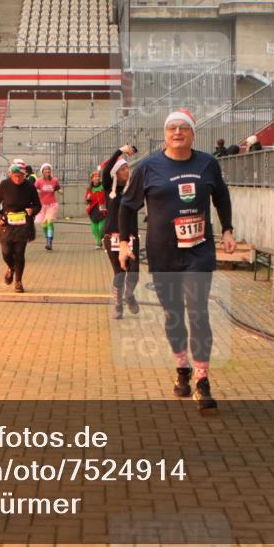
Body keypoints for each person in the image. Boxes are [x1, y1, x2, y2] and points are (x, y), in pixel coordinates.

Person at [118, 108, 237, 411]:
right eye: (172, 128)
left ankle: (202, 379)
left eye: (183, 128)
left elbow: (221, 196)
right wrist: (124, 244)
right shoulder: (148, 167)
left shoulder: (208, 164)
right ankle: (182, 367)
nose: (177, 132)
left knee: (198, 313)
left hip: (199, 251)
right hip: (163, 252)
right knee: (174, 315)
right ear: (165, 133)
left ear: (193, 133)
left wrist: (227, 229)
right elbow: (127, 207)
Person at [101, 145, 139, 319]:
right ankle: (118, 306)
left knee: (134, 271)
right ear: (116, 173)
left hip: (131, 236)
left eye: (127, 168)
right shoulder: (110, 189)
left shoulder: (133, 189)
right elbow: (106, 170)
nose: (126, 171)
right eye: (123, 169)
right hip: (112, 236)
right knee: (119, 272)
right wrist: (119, 151)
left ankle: (129, 294)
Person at [0, 163, 41, 293]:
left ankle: (18, 281)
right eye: (15, 176)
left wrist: (33, 211)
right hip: (6, 221)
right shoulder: (4, 185)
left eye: (20, 176)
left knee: (19, 253)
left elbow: (38, 205)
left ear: (25, 175)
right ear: (10, 174)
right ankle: (11, 268)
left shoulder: (30, 186)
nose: (18, 179)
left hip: (23, 223)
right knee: (6, 252)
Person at [34, 163, 61, 250]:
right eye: (45, 169)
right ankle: (47, 238)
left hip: (52, 205)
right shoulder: (39, 181)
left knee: (49, 222)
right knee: (44, 225)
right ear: (42, 171)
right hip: (42, 206)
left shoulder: (55, 180)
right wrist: (36, 192)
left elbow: (58, 188)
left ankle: (49, 242)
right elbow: (33, 189)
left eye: (49, 169)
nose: (47, 171)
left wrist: (60, 191)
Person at [85, 170, 108, 249]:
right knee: (94, 229)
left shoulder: (103, 187)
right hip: (93, 210)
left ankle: (100, 241)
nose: (97, 178)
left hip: (103, 210)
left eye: (98, 177)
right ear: (92, 179)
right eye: (95, 177)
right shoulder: (89, 189)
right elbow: (87, 201)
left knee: (101, 228)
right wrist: (88, 199)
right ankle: (99, 242)